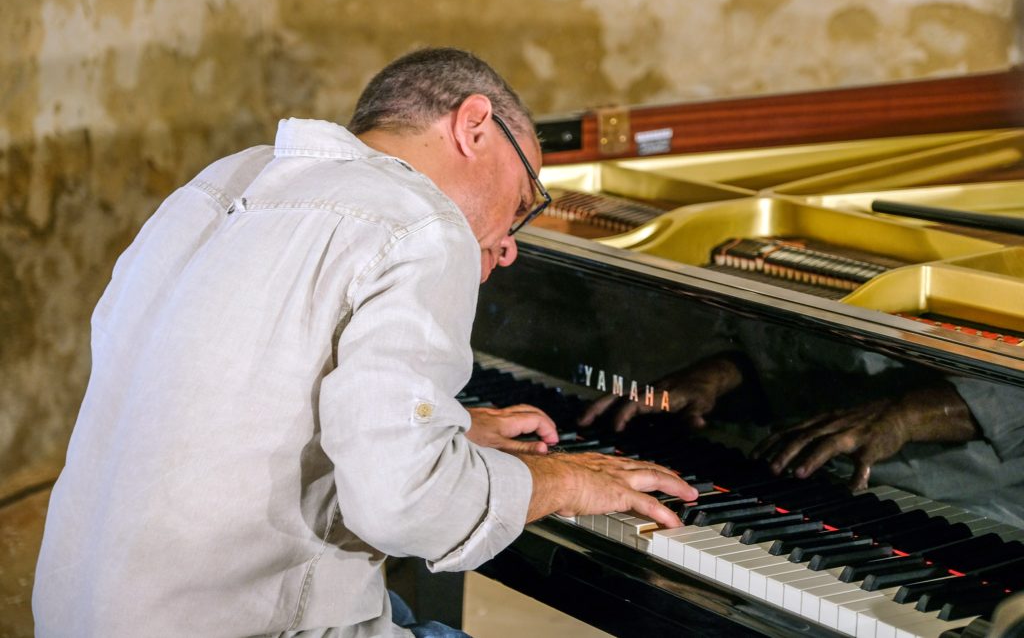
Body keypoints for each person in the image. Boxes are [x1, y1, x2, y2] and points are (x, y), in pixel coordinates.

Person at [32, 48, 697, 637]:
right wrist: (559, 479)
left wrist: (446, 434)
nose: (511, 243)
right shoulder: (422, 224)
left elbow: (233, 408)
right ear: (473, 125)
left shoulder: (217, 186)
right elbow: (405, 505)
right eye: (525, 198)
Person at [580, 319, 1024, 528]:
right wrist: (725, 372)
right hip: (783, 469)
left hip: (961, 510)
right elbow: (801, 349)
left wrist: (906, 416)